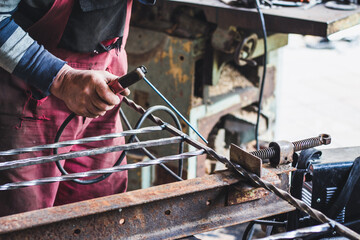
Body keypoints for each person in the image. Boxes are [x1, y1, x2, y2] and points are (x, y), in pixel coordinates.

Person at [0, 0, 155, 217]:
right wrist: (62, 78)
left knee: (99, 209)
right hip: (31, 94)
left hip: (104, 84)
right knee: (26, 219)